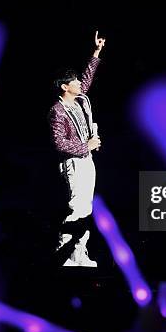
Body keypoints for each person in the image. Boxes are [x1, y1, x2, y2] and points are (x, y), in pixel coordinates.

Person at [49, 31, 105, 267]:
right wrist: (86, 145)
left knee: (86, 208)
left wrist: (96, 52)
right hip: (73, 162)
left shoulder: (81, 99)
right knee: (76, 207)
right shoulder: (57, 111)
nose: (80, 84)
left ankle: (79, 253)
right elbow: (59, 143)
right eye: (75, 82)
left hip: (87, 159)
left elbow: (88, 77)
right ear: (65, 87)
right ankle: (65, 252)